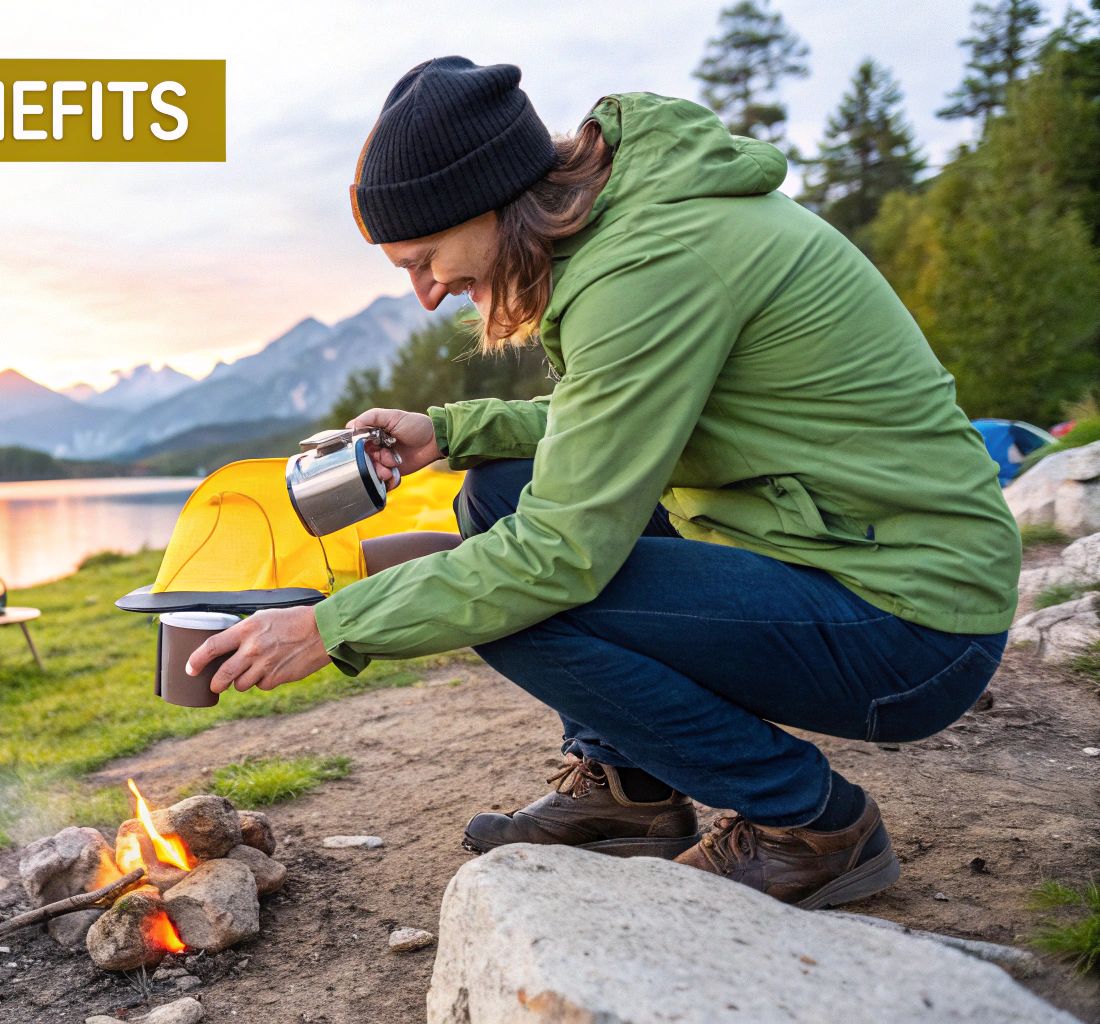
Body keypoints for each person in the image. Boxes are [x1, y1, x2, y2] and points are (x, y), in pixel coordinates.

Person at [184, 57, 1020, 909]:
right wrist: (453, 432)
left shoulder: (648, 265)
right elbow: (615, 422)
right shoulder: (632, 230)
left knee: (519, 598)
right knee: (499, 490)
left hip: (914, 623)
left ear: (489, 200)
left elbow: (556, 557)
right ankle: (630, 792)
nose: (428, 293)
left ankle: (809, 825)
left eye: (425, 258)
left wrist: (331, 625)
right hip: (844, 557)